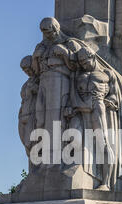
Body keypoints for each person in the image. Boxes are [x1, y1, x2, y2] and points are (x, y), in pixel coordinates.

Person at [31, 17, 82, 163]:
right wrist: (35, 58)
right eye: (43, 32)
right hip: (44, 83)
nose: (46, 35)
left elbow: (76, 67)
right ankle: (43, 155)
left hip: (59, 80)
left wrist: (65, 54)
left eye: (48, 31)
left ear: (55, 29)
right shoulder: (41, 46)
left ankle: (58, 157)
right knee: (40, 118)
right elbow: (35, 71)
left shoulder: (69, 43)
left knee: (56, 119)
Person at [70, 47, 119, 190]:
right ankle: (79, 171)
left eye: (85, 61)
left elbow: (115, 94)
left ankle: (105, 182)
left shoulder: (107, 73)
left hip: (98, 108)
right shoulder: (78, 75)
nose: (84, 65)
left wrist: (111, 100)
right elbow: (73, 93)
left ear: (93, 57)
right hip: (80, 108)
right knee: (74, 137)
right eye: (81, 62)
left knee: (102, 142)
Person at [18, 55, 39, 163]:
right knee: (26, 143)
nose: (28, 71)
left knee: (31, 143)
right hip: (24, 115)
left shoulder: (41, 80)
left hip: (33, 114)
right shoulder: (26, 84)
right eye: (25, 70)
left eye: (28, 68)